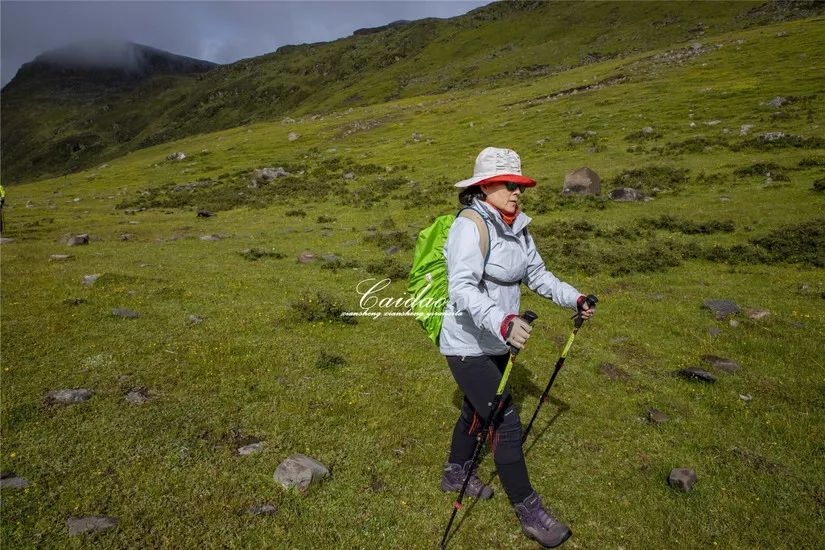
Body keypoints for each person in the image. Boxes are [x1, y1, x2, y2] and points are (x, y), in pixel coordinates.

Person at [438, 147, 593, 548]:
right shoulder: (469, 226)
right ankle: (530, 511)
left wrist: (575, 298)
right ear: (485, 186)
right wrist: (503, 320)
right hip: (467, 341)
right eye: (510, 184)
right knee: (504, 418)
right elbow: (462, 288)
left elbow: (538, 275)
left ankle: (456, 473)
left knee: (477, 408)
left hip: (499, 337)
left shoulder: (518, 227)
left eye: (520, 184)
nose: (517, 191)